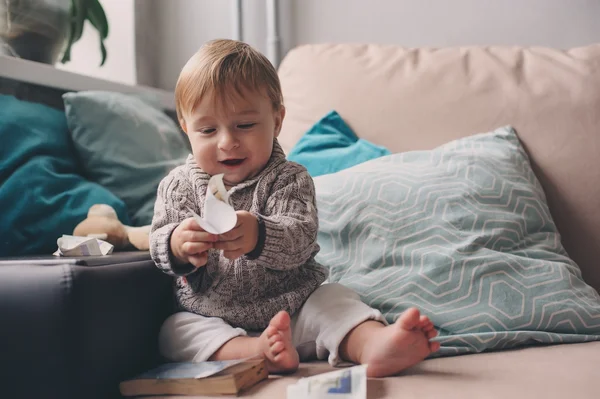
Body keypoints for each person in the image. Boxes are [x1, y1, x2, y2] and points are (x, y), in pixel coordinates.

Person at [150, 39, 440, 377]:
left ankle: (373, 344)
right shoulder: (179, 186)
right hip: (215, 318)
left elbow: (300, 237)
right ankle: (257, 352)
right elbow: (158, 246)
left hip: (296, 310)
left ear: (277, 119)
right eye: (208, 129)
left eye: (245, 125)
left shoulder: (289, 179)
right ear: (186, 128)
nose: (227, 141)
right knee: (173, 331)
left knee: (336, 300)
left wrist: (259, 234)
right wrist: (177, 246)